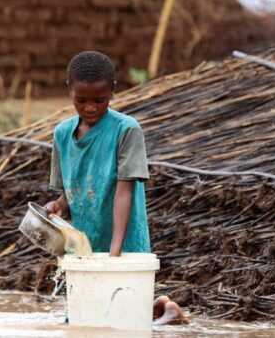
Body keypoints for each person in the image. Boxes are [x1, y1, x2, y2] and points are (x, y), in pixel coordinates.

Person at [44, 51, 188, 325]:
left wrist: (115, 254)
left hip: (123, 237)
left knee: (123, 322)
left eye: (100, 100)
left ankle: (166, 312)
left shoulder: (126, 130)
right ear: (69, 91)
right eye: (81, 100)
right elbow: (73, 189)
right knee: (84, 319)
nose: (90, 108)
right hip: (86, 240)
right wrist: (59, 206)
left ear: (112, 92)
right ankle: (161, 308)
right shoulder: (62, 134)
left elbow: (125, 190)